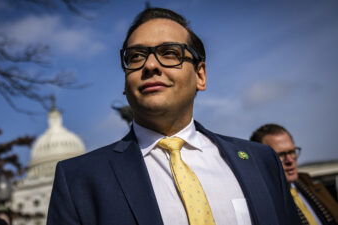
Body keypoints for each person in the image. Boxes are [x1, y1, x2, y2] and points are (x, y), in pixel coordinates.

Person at [47, 8, 301, 225]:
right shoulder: (79, 180)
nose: (150, 65)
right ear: (126, 83)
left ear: (200, 76)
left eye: (170, 53)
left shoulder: (260, 160)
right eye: (136, 57)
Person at [250, 123, 338, 225]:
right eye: (280, 155)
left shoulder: (313, 186)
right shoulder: (261, 205)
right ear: (260, 160)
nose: (290, 160)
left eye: (292, 151)